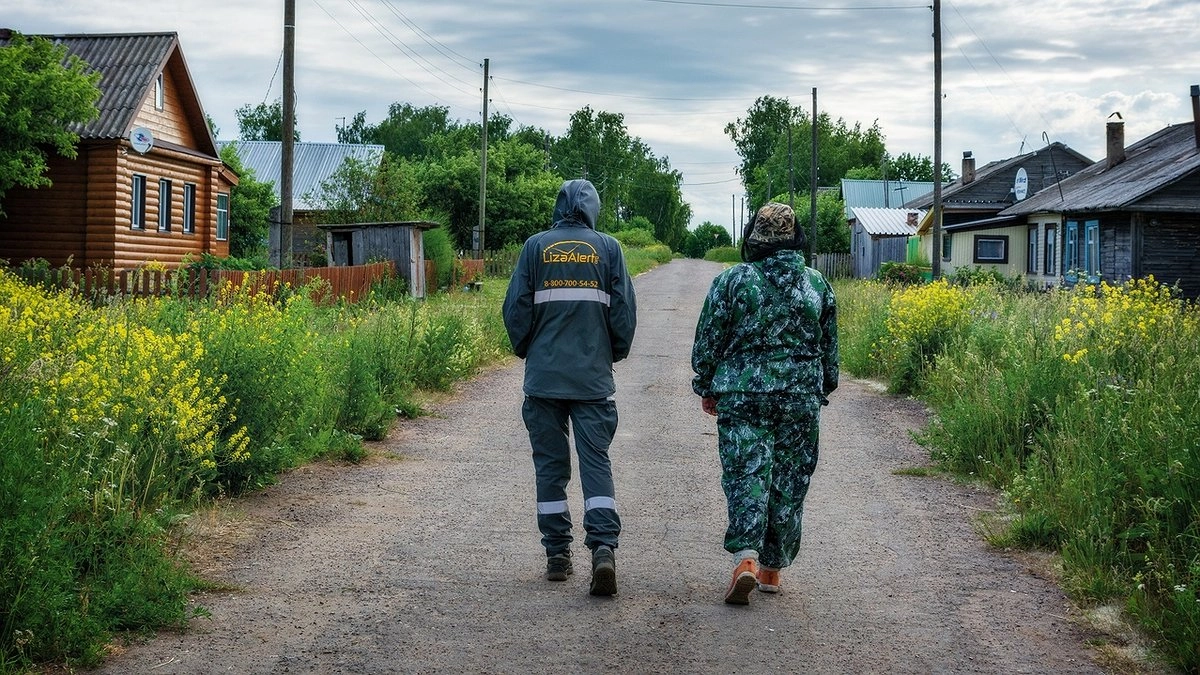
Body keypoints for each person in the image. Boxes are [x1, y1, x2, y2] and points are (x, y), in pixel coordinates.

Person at [690, 201, 838, 605]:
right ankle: (772, 570)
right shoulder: (817, 284)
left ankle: (746, 559)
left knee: (746, 473)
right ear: (795, 237)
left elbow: (708, 340)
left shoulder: (732, 280)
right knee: (789, 481)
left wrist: (706, 384)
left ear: (755, 237)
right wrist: (822, 386)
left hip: (742, 395)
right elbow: (830, 349)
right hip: (799, 398)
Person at [502, 178, 638, 597]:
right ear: (593, 209)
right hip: (592, 378)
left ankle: (558, 555)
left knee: (550, 466)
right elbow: (624, 311)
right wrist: (613, 352)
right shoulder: (609, 249)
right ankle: (603, 549)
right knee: (595, 461)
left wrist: (527, 348)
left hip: (544, 378)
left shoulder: (535, 248)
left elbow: (516, 308)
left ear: (559, 207)